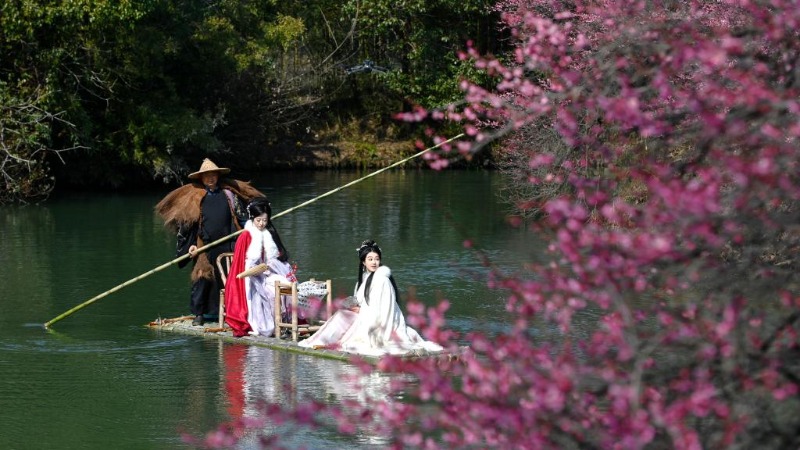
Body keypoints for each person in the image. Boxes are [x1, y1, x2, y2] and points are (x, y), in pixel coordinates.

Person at [155, 158, 263, 326]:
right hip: (203, 245)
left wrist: (252, 230)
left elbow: (241, 217)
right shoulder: (197, 198)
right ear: (202, 179)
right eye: (207, 176)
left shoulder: (229, 195)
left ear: (218, 176)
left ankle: (230, 313)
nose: (210, 179)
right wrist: (190, 246)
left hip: (228, 244)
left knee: (228, 280)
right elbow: (188, 225)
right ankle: (199, 314)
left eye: (213, 175)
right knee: (201, 279)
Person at [299, 239, 443, 356]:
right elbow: (359, 300)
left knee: (342, 317)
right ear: (363, 262)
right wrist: (351, 305)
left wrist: (360, 311)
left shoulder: (382, 280)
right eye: (370, 259)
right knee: (341, 315)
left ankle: (326, 341)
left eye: (376, 259)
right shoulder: (365, 279)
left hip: (380, 322)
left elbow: (383, 309)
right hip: (366, 316)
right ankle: (321, 340)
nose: (374, 262)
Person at [224, 197, 297, 337]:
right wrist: (254, 270)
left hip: (267, 273)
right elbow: (240, 263)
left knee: (287, 284)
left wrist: (272, 266)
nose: (262, 223)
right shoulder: (245, 235)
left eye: (265, 220)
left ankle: (285, 322)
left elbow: (276, 257)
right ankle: (271, 324)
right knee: (269, 292)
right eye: (258, 220)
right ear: (252, 218)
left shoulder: (268, 233)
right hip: (249, 276)